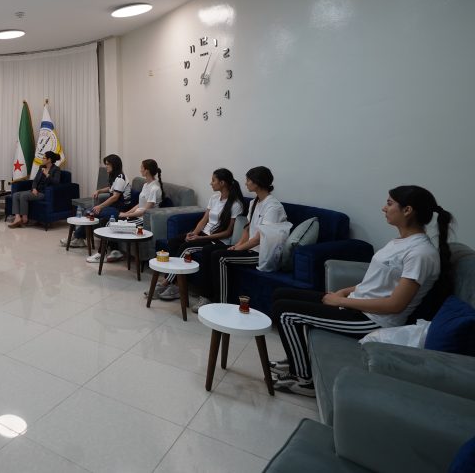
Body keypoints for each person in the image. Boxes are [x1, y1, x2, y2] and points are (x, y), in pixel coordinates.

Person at [269, 186, 451, 397]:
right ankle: (296, 360)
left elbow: (395, 305)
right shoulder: (401, 242)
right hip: (357, 305)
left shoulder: (421, 253)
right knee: (281, 293)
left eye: (390, 203)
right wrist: (343, 292)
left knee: (285, 312)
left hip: (372, 320)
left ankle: (304, 379)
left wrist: (341, 302)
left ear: (407, 210)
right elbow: (376, 282)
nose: (384, 208)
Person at [149, 168, 245, 301]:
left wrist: (201, 237)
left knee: (185, 248)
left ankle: (167, 282)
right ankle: (176, 283)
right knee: (174, 241)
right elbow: (204, 219)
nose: (211, 183)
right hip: (203, 234)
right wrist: (193, 233)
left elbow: (228, 232)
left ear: (222, 183)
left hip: (217, 240)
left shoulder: (235, 204)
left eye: (213, 180)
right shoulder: (214, 198)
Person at [198, 166, 287, 311]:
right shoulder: (254, 202)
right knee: (209, 250)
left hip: (260, 253)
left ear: (257, 182)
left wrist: (238, 249)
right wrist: (237, 245)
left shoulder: (273, 207)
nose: (245, 183)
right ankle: (206, 296)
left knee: (220, 257)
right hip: (249, 248)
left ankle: (221, 304)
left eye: (248, 180)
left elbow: (258, 239)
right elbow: (247, 229)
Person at [87, 158, 165, 265]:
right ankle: (112, 252)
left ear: (147, 170)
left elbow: (145, 210)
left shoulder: (154, 189)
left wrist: (127, 215)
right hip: (136, 215)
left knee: (111, 223)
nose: (140, 170)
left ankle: (101, 254)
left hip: (143, 220)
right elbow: (139, 204)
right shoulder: (146, 185)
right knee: (108, 220)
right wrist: (128, 213)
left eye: (141, 168)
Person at [62, 154, 130, 248]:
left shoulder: (120, 178)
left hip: (120, 209)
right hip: (114, 207)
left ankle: (77, 237)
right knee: (90, 213)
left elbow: (115, 197)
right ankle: (78, 237)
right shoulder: (116, 177)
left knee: (90, 212)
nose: (106, 166)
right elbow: (111, 188)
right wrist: (99, 191)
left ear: (114, 165)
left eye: (108, 164)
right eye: (106, 164)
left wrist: (100, 206)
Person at [7, 151, 61, 228]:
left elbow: (56, 182)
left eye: (44, 158)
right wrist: (34, 188)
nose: (42, 159)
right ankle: (17, 218)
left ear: (49, 160)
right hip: (35, 191)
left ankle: (25, 219)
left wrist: (47, 175)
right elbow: (35, 180)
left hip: (43, 193)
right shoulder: (41, 167)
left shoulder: (56, 169)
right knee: (15, 195)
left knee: (23, 196)